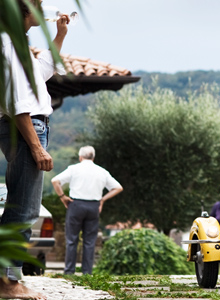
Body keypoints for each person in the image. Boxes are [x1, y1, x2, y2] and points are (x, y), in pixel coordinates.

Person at [0, 0, 69, 298]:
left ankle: (7, 278)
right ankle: (8, 283)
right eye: (39, 6)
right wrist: (37, 147)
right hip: (26, 127)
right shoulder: (6, 43)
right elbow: (16, 100)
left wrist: (60, 36)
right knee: (24, 209)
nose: (44, 11)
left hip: (31, 126)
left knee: (21, 205)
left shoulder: (15, 41)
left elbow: (41, 73)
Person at [51, 146, 123, 275]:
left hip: (76, 205)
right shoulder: (102, 171)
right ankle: (87, 273)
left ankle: (69, 273)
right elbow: (118, 187)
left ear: (80, 157)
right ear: (93, 157)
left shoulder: (74, 169)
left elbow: (55, 181)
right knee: (90, 242)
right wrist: (102, 200)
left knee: (72, 240)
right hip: (93, 207)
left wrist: (62, 197)